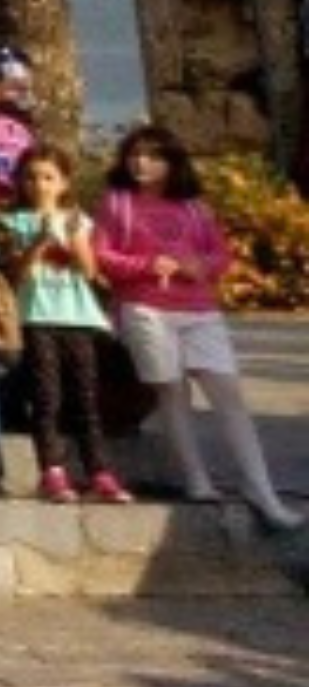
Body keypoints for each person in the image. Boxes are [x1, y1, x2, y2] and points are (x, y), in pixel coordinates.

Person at [94, 122, 299, 530]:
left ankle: (262, 489)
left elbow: (220, 256)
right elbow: (102, 256)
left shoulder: (194, 207)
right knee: (172, 394)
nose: (141, 162)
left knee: (229, 397)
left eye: (152, 156)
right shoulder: (117, 203)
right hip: (145, 309)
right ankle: (196, 479)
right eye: (135, 154)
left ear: (171, 162)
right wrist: (147, 265)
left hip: (199, 310)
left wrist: (197, 267)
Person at [0, 144, 126, 504]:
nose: (40, 185)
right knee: (46, 396)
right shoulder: (10, 222)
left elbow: (88, 270)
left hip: (77, 317)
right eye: (31, 177)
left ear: (64, 182)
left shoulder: (76, 220)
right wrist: (36, 243)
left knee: (85, 397)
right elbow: (13, 276)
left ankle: (99, 471)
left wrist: (70, 237)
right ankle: (52, 470)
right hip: (36, 317)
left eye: (49, 177)